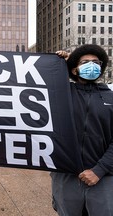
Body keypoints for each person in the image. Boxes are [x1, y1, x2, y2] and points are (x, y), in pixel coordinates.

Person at [51, 44, 113, 216]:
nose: (92, 65)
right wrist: (61, 63)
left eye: (96, 62)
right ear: (75, 70)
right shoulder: (61, 94)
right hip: (66, 175)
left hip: (104, 176)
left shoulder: (111, 97)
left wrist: (98, 171)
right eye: (85, 62)